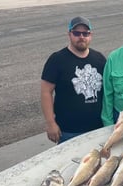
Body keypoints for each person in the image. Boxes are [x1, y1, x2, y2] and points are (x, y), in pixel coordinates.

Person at [41, 16, 106, 144]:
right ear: (69, 34)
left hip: (97, 129)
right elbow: (45, 92)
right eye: (76, 33)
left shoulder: (99, 59)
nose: (81, 37)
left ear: (90, 35)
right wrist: (50, 123)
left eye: (85, 33)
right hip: (68, 132)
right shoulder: (57, 60)